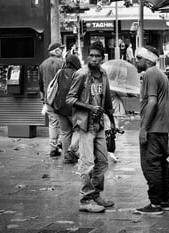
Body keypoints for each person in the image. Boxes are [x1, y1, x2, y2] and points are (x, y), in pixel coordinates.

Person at [66, 41, 116, 213]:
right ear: (88, 56)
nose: (94, 59)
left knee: (102, 161)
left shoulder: (103, 74)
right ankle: (85, 199)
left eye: (97, 56)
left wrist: (112, 120)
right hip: (85, 125)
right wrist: (89, 107)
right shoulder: (81, 74)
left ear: (102, 58)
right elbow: (70, 99)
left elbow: (107, 99)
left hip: (99, 124)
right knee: (87, 163)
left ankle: (95, 195)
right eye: (91, 55)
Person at [134, 45, 169, 215]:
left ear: (148, 60)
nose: (136, 61)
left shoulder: (150, 73)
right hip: (162, 127)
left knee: (151, 165)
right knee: (162, 164)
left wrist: (144, 128)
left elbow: (152, 102)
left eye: (139, 58)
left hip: (154, 128)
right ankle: (164, 200)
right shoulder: (160, 74)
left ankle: (155, 203)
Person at [52, 54, 81, 164]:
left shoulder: (60, 72)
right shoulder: (78, 73)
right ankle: (71, 151)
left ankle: (66, 157)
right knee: (79, 129)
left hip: (60, 107)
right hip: (73, 107)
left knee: (65, 133)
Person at [39, 42, 65, 157]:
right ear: (57, 51)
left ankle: (53, 147)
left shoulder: (43, 64)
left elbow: (40, 83)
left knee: (53, 123)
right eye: (61, 49)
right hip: (61, 98)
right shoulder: (63, 63)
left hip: (48, 99)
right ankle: (61, 143)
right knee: (64, 122)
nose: (63, 51)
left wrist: (43, 97)